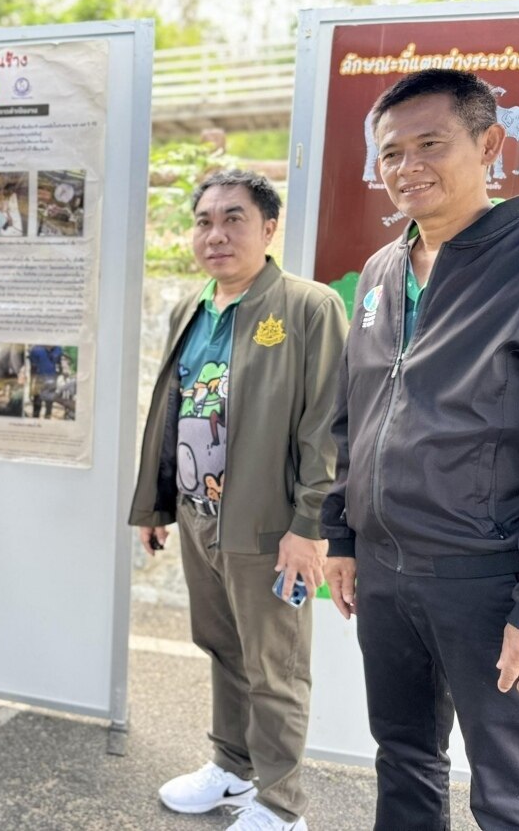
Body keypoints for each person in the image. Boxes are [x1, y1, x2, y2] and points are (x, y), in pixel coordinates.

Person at [322, 69, 519, 831]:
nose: (407, 166)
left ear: (489, 145)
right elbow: (355, 408)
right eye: (391, 152)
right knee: (404, 755)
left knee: (513, 791)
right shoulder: (383, 270)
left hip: (487, 581)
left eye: (431, 144)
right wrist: (344, 534)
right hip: (386, 576)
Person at [130, 170, 347, 831]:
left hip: (270, 527)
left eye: (234, 218)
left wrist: (309, 526)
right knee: (222, 646)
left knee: (276, 665)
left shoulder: (308, 308)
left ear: (269, 227)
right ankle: (232, 766)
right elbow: (173, 410)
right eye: (204, 221)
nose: (216, 234)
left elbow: (327, 426)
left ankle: (282, 807)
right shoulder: (190, 309)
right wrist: (156, 503)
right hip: (202, 517)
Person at [28, 344, 62, 419]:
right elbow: (32, 370)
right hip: (40, 381)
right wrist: (31, 387)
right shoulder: (36, 349)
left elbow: (59, 365)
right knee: (37, 409)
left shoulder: (58, 349)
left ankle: (45, 424)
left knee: (48, 408)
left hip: (50, 381)